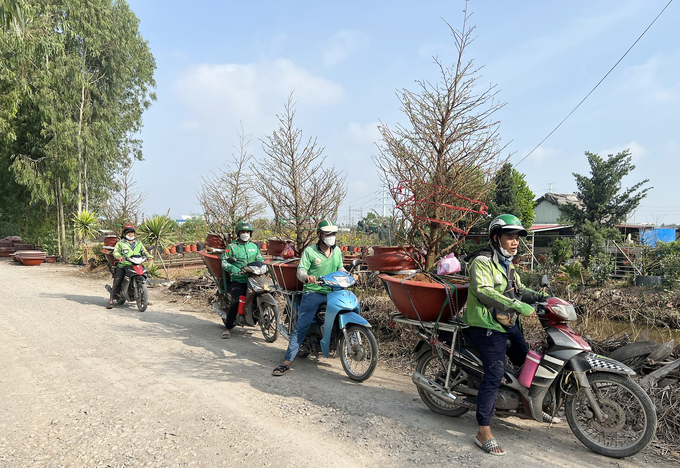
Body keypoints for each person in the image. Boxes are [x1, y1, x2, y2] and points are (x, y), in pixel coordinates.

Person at [462, 214, 551, 456]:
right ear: (496, 238)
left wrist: (541, 298)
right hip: (484, 324)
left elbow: (520, 290)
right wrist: (517, 306)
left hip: (506, 324)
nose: (515, 242)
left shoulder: (508, 264)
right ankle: (483, 430)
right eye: (509, 237)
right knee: (495, 373)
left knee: (527, 362)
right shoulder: (481, 262)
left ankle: (529, 405)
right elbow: (484, 291)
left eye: (517, 238)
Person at [272, 219, 351, 376]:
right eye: (328, 233)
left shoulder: (337, 251)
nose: (331, 236)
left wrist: (348, 274)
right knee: (301, 326)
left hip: (333, 291)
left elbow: (340, 268)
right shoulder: (310, 251)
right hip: (313, 292)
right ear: (320, 234)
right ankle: (287, 361)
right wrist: (307, 277)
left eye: (334, 233)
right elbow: (300, 270)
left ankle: (349, 343)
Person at [220, 221, 263, 339]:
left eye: (247, 232)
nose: (245, 234)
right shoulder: (231, 247)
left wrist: (264, 267)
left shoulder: (254, 247)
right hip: (238, 280)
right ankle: (228, 328)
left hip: (253, 278)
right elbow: (224, 261)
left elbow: (260, 259)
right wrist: (234, 269)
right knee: (235, 301)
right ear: (238, 233)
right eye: (243, 232)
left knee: (267, 292)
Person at [108, 225, 152, 309]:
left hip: (136, 264)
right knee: (118, 280)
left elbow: (144, 251)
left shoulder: (138, 243)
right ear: (125, 233)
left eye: (131, 232)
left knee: (144, 276)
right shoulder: (121, 243)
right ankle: (111, 300)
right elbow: (116, 251)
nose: (130, 234)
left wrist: (148, 256)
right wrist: (119, 257)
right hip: (124, 265)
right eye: (128, 232)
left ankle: (143, 298)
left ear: (134, 233)